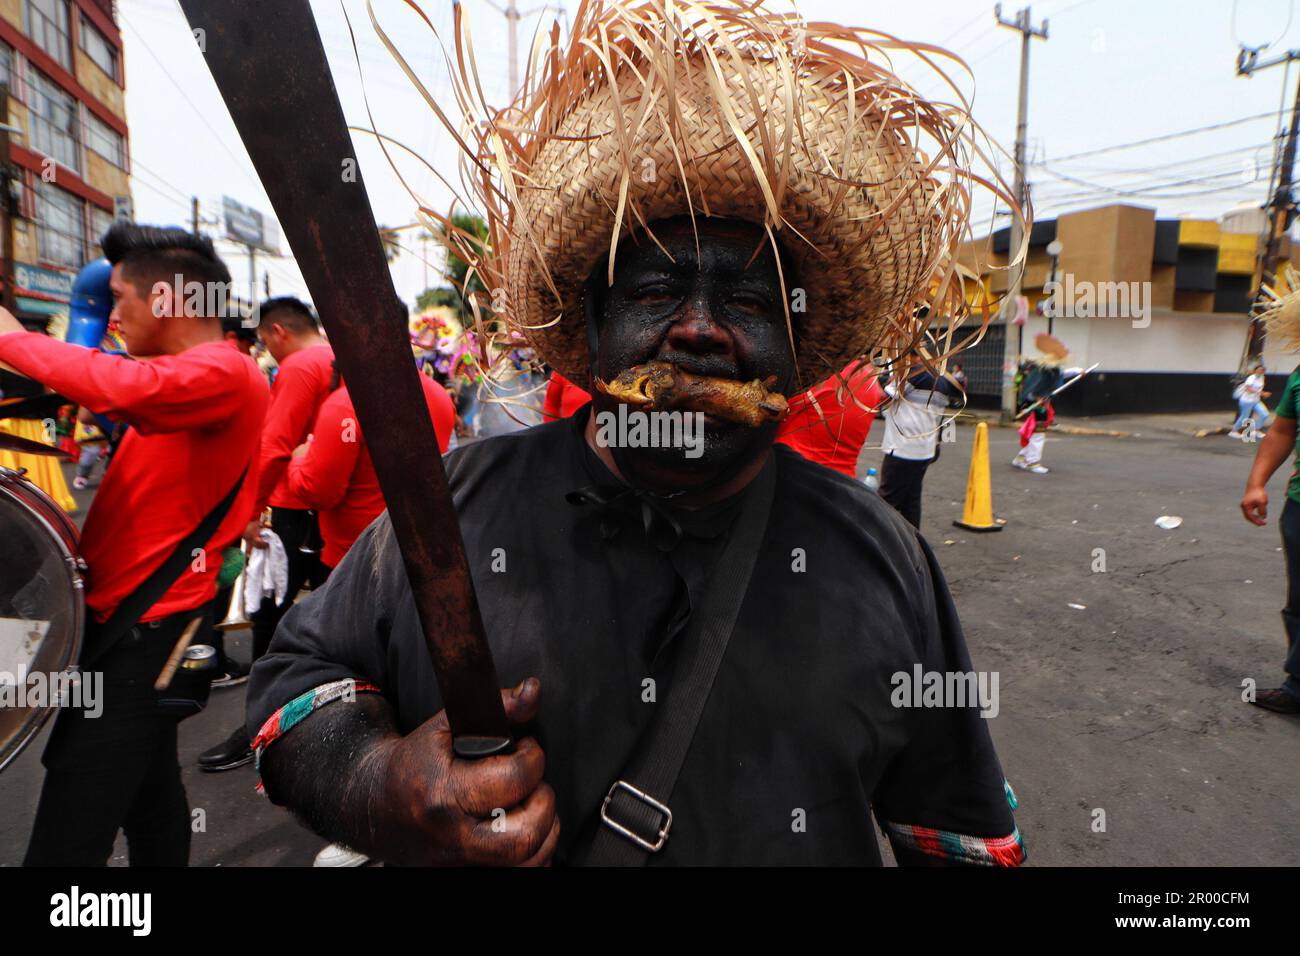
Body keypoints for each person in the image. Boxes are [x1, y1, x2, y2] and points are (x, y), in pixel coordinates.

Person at [246, 0, 1025, 866]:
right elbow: (297, 685)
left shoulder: (884, 557)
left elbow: (956, 834)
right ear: (595, 322)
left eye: (749, 301)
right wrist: (376, 784)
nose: (698, 329)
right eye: (656, 294)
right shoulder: (455, 510)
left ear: (797, 348)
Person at [0, 223, 268, 866]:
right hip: (130, 626)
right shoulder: (181, 374)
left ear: (168, 301)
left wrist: (12, 337)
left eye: (120, 297)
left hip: (147, 636)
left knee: (72, 825)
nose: (110, 312)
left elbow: (126, 389)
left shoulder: (225, 370)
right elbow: (111, 382)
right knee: (149, 792)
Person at [199, 296, 335, 772]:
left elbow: (275, 444)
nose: (267, 352)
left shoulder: (301, 366)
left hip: (295, 510)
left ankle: (260, 726)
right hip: (334, 509)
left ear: (277, 332)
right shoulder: (339, 355)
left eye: (264, 342)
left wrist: (250, 512)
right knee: (335, 620)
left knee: (267, 617)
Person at [878, 364, 960, 528]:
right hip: (924, 450)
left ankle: (881, 544)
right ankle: (914, 545)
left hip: (903, 449)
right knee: (911, 502)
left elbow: (882, 398)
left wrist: (877, 380)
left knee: (886, 502)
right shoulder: (942, 379)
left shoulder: (913, 373)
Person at [775, 361, 884, 478]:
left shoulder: (818, 374)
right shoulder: (870, 380)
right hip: (842, 481)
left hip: (795, 474)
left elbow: (774, 421)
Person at [1012, 334, 1069, 475]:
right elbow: (1033, 388)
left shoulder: (1049, 368)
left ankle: (1021, 458)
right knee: (1038, 433)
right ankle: (1032, 462)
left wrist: (1079, 372)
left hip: (1036, 402)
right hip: (1036, 403)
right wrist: (1039, 398)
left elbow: (1062, 376)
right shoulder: (1045, 370)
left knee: (1033, 432)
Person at [1230, 363, 1271, 439]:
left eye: (1262, 370)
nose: (1260, 372)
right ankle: (1233, 431)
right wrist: (1262, 393)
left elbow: (1259, 388)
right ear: (1255, 371)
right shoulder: (1251, 378)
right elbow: (1248, 389)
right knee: (1244, 417)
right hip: (1246, 401)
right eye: (1258, 370)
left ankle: (1256, 430)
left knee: (1264, 414)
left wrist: (1261, 394)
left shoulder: (1262, 378)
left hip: (1256, 401)